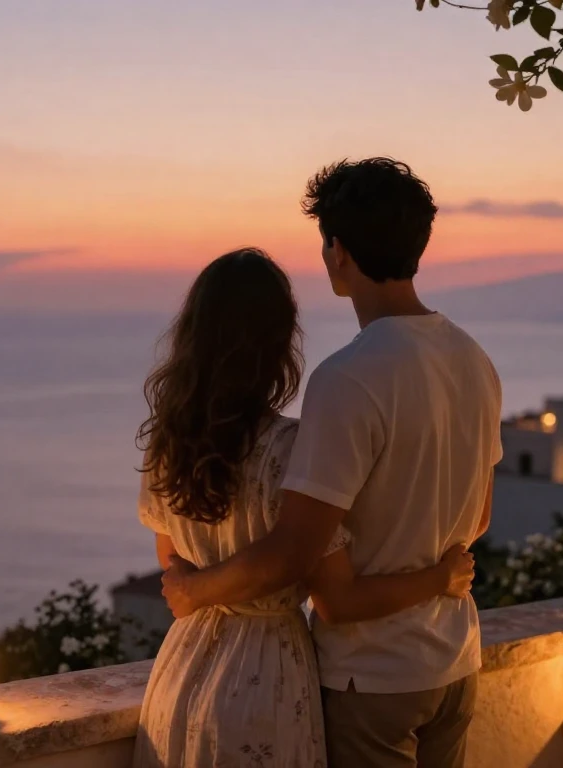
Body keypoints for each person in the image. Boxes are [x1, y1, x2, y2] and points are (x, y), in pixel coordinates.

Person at [161, 159, 503, 767]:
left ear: (337, 253)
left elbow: (305, 564)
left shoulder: (347, 379)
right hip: (455, 660)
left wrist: (194, 589)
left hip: (370, 676)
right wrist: (435, 575)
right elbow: (476, 520)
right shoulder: (474, 359)